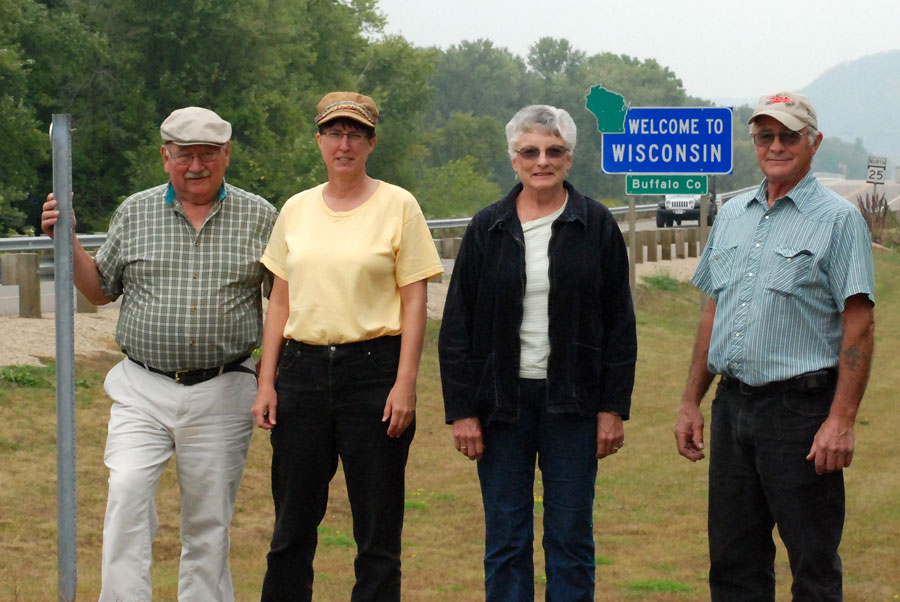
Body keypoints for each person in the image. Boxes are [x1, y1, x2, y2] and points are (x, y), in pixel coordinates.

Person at [41, 107, 277, 601]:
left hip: (224, 387)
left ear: (226, 155)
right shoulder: (134, 210)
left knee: (209, 519)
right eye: (184, 155)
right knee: (126, 495)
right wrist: (67, 239)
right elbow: (100, 291)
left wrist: (272, 380)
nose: (196, 166)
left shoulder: (261, 216)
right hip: (141, 388)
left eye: (208, 155)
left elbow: (286, 300)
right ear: (164, 157)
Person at [674, 91, 875, 601]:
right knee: (734, 560)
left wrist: (842, 420)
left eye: (790, 135)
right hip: (733, 406)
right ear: (754, 143)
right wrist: (690, 402)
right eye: (767, 136)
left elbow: (859, 326)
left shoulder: (838, 220)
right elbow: (712, 310)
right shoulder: (734, 212)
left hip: (801, 412)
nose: (778, 145)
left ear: (814, 142)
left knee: (811, 563)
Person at [438, 104, 637, 601]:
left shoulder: (596, 226)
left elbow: (620, 325)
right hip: (502, 405)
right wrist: (462, 411)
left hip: (573, 404)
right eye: (530, 151)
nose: (541, 161)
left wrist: (612, 409)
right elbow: (457, 326)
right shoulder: (488, 228)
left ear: (570, 159)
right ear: (514, 160)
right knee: (506, 538)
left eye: (554, 151)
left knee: (570, 537)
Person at [251, 91, 443, 601]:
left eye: (355, 134)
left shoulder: (398, 205)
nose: (344, 144)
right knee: (292, 524)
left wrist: (405, 384)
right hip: (302, 372)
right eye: (334, 133)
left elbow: (414, 302)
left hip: (373, 372)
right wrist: (266, 382)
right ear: (319, 140)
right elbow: (279, 303)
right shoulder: (296, 209)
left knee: (376, 527)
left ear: (371, 143)